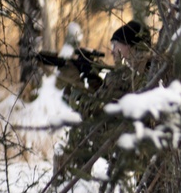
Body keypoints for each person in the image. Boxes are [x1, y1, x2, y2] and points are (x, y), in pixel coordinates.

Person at [56, 20, 153, 175]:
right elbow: (114, 98)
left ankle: (71, 185)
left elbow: (92, 109)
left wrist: (73, 89)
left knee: (80, 130)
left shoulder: (122, 75)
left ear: (129, 46)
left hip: (128, 144)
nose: (112, 51)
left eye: (116, 44)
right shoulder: (152, 68)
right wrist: (94, 80)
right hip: (149, 143)